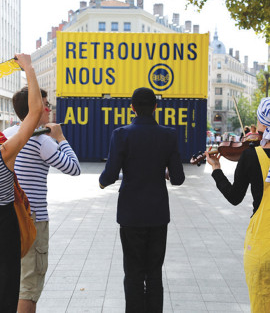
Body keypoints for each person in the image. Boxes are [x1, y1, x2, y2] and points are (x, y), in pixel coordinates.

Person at [99, 87, 185, 313]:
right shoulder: (169, 135)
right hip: (158, 214)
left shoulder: (121, 134)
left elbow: (109, 175)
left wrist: (101, 182)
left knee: (134, 272)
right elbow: (178, 178)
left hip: (131, 214)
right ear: (156, 107)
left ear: (132, 108)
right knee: (154, 272)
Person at [3, 87, 81, 313]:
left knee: (12, 282)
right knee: (29, 286)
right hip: (32, 219)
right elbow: (74, 168)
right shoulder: (41, 141)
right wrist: (60, 138)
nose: (48, 109)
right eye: (45, 104)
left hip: (9, 215)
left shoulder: (8, 135)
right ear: (35, 109)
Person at [205, 97, 270, 312]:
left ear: (262, 122)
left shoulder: (251, 156)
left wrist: (216, 169)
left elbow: (234, 197)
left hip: (262, 246)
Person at [0, 54, 43, 313]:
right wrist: (28, 67)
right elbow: (36, 111)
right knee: (6, 295)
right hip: (4, 227)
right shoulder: (5, 152)